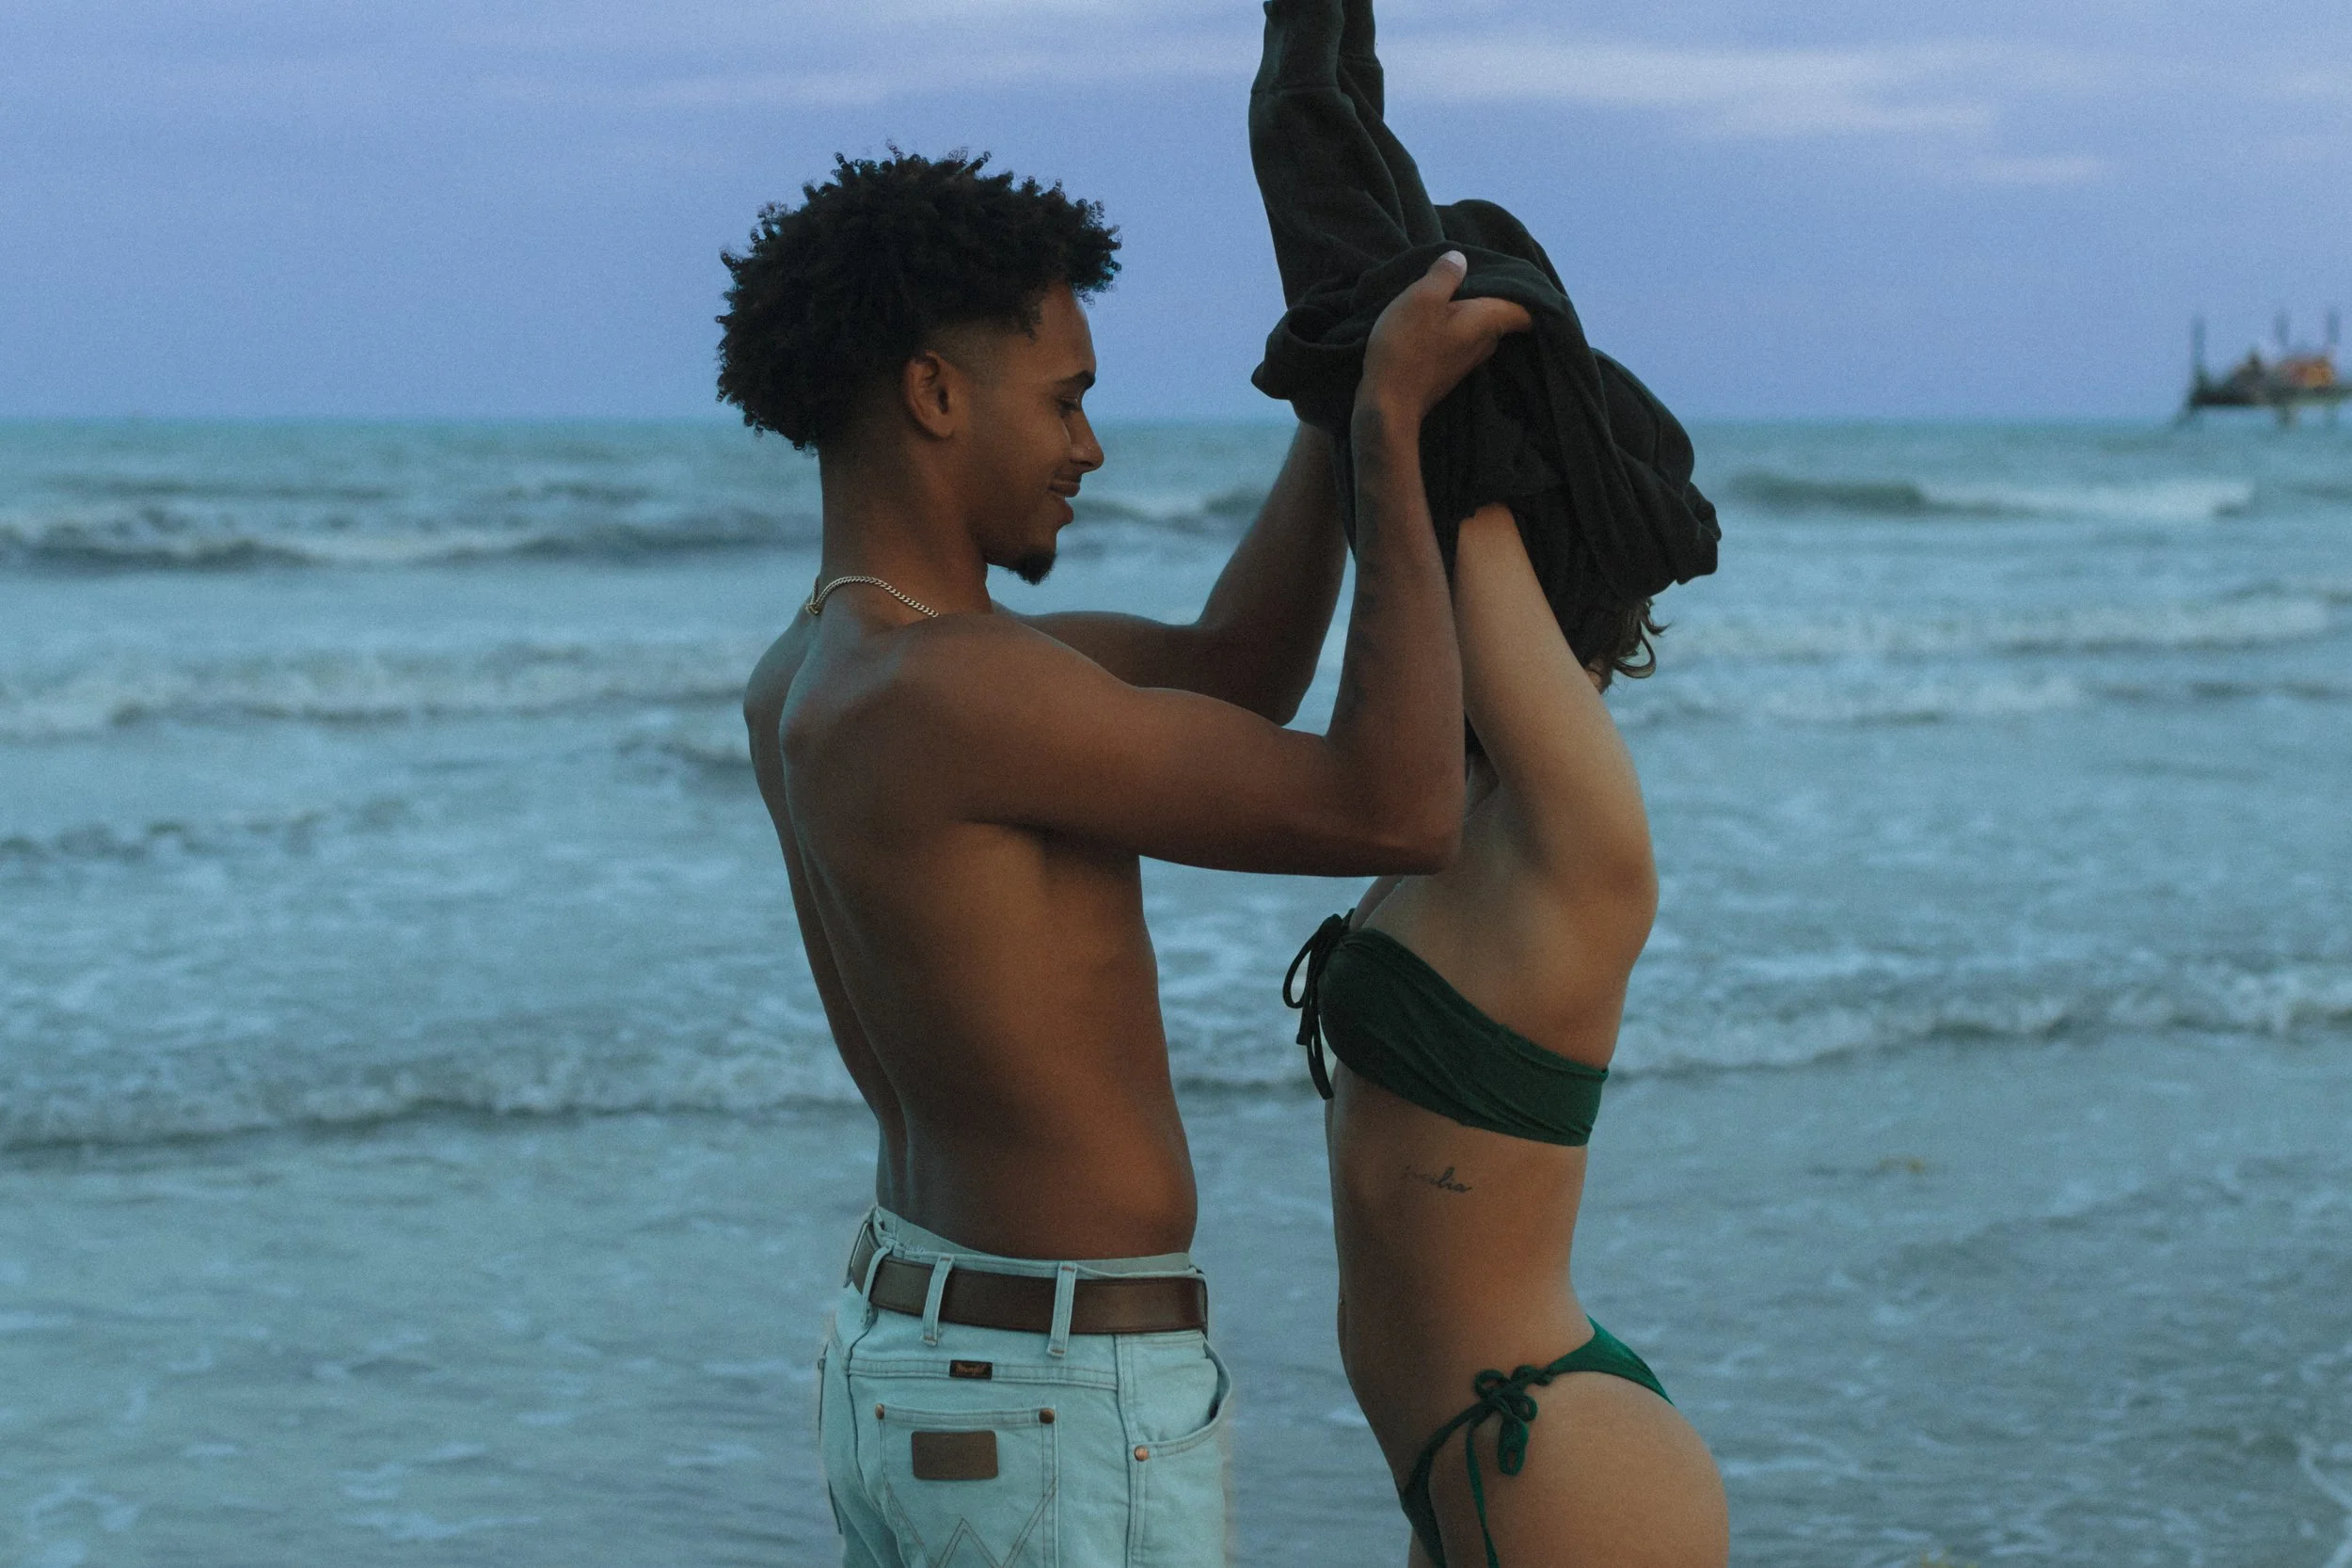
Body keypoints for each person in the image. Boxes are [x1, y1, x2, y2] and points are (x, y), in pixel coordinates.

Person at [719, 150, 1528, 1567]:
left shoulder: (835, 668)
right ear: (935, 394)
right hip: (1051, 1396)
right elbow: (1397, 810)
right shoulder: (959, 693)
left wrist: (1326, 416)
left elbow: (1237, 669)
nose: (1089, 447)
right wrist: (1388, 434)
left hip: (927, 1349)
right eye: (1066, 398)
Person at [1253, 1, 1731, 1563]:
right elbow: (1392, 532)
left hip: (1554, 1453)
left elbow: (1464, 505)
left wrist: (1399, 398)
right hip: (1471, 1462)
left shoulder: (1582, 829)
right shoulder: (1446, 806)